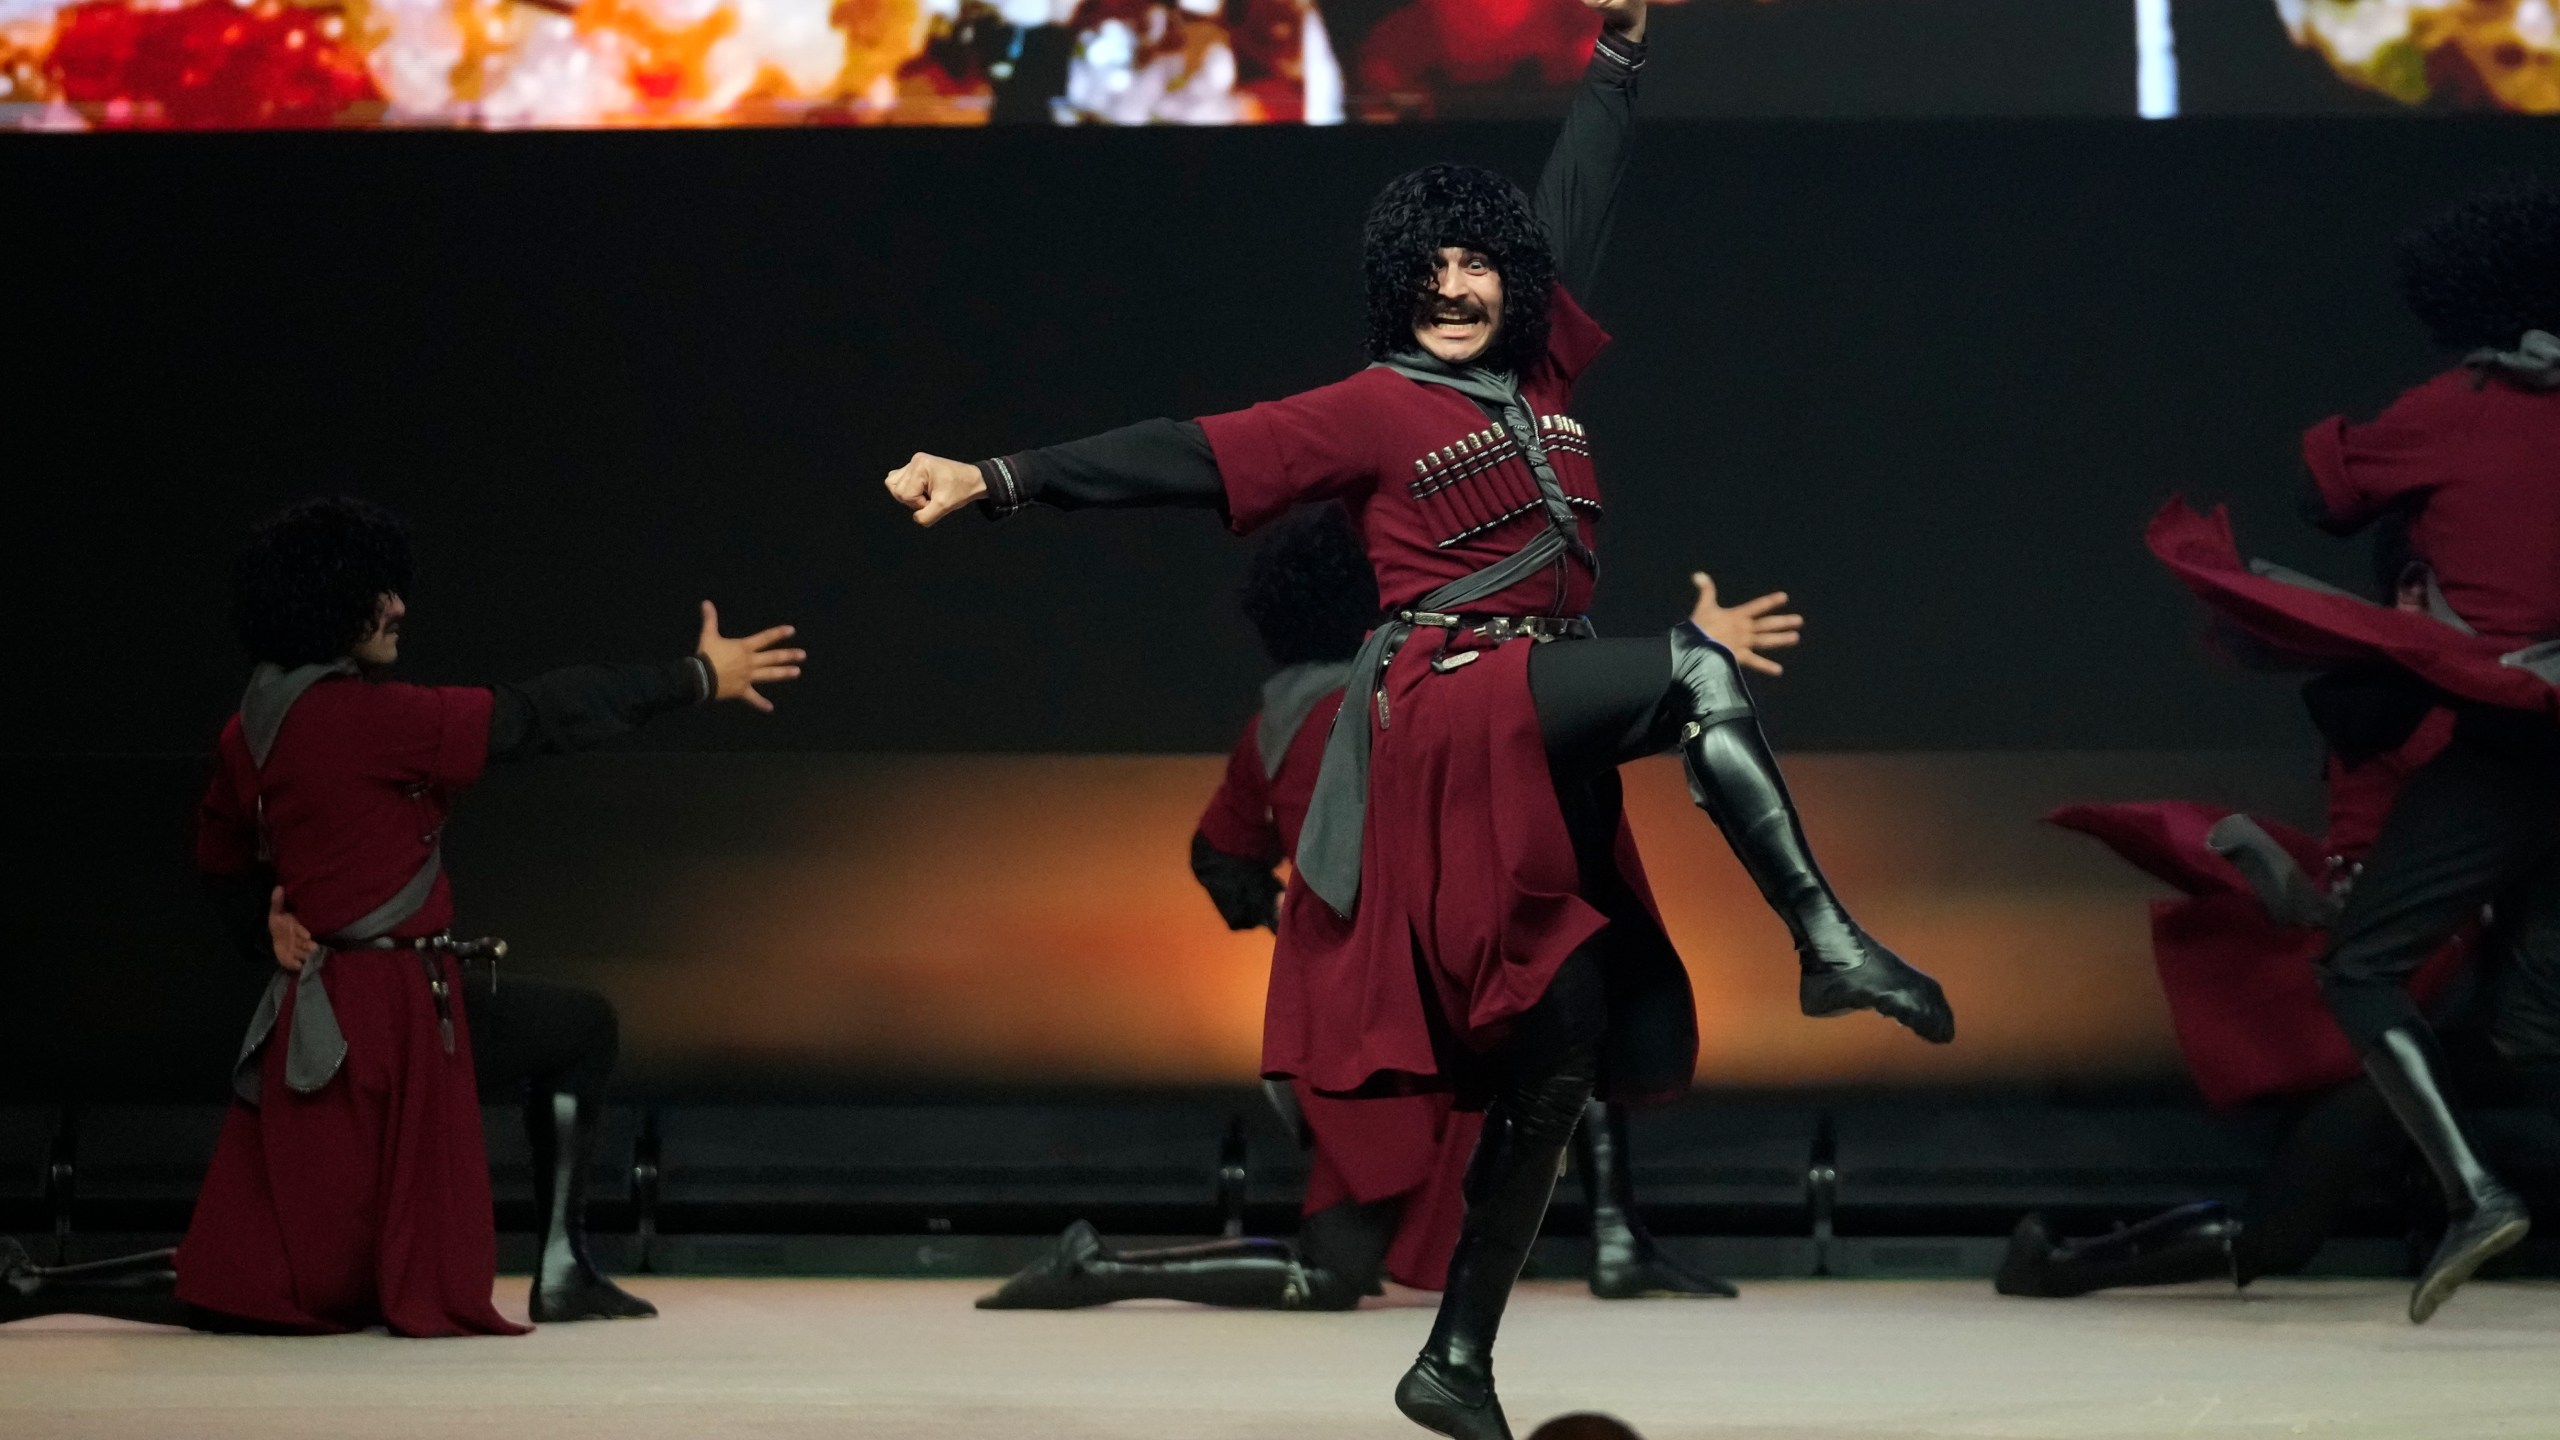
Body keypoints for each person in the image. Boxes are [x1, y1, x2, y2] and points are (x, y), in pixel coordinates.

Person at [883, 2, 1954, 1431]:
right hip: (1450, 700)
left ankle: (1455, 1360)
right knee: (1697, 673)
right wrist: (1002, 477)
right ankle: (1826, 945)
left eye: (1480, 267)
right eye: (1433, 268)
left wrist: (1621, 59)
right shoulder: (1373, 407)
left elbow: (1577, 202)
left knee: (1560, 1049)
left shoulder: (1542, 374)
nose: (1460, 287)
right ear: (1401, 285)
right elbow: (1196, 452)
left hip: (1537, 724)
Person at [0, 495, 804, 1336]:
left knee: (574, 1028)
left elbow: (221, 857)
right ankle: (41, 1291)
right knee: (282, 1285)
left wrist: (257, 922)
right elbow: (536, 716)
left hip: (380, 1011)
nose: (399, 608)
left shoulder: (254, 730)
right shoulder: (364, 720)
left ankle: (566, 1270)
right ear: (332, 605)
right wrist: (697, 676)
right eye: (381, 593)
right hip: (379, 1031)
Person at [981, 508, 1798, 1311]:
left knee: (1553, 1000)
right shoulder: (1417, 695)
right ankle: (1105, 1271)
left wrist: (1298, 924)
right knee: (1563, 980)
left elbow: (1219, 854)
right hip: (1422, 1008)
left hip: (1367, 1007)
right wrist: (1694, 647)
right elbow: (1573, 714)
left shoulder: (1274, 726)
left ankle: (1102, 1272)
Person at [2139, 178, 2560, 1323]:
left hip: (2509, 741)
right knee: (2525, 1020)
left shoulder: (2462, 403)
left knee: (2364, 972)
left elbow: (2325, 487)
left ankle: (2474, 1194)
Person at [2001, 531, 2479, 1298]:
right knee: (2282, 1230)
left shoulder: (2443, 690)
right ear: (2415, 592)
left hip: (2425, 979)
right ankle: (2062, 1267)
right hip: (2394, 984)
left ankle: (2065, 1264)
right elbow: (2374, 853)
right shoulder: (2397, 696)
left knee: (2310, 1199)